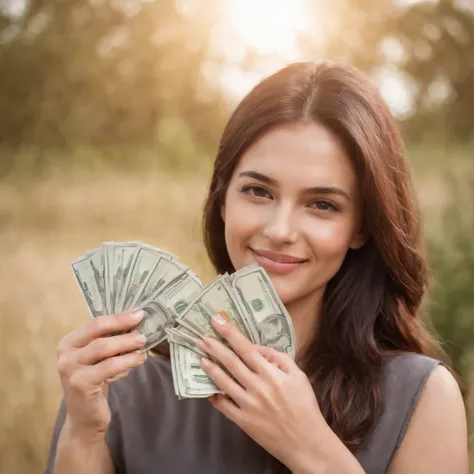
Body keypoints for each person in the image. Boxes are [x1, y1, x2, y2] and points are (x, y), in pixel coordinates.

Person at [44, 62, 468, 474]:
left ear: (360, 228)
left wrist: (312, 450)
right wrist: (82, 433)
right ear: (223, 199)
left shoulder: (423, 399)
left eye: (322, 204)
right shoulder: (124, 384)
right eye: (258, 191)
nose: (280, 230)